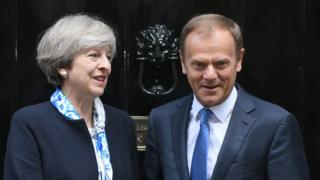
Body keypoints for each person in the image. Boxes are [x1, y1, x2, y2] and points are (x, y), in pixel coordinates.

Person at [143, 13, 309, 180]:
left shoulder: (275, 125)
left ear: (239, 60)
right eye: (199, 64)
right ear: (183, 62)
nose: (209, 75)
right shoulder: (161, 121)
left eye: (220, 64)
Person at [4, 14, 139, 180]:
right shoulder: (30, 123)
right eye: (94, 55)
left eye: (108, 56)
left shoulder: (122, 123)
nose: (106, 65)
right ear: (62, 65)